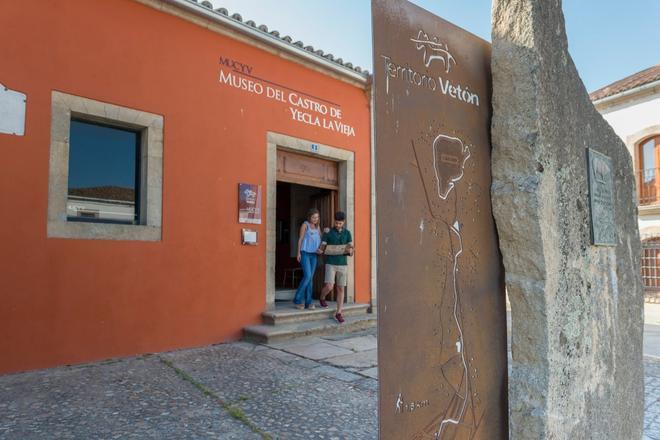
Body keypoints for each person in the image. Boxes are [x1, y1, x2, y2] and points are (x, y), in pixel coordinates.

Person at [318, 211, 353, 323]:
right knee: (329, 286)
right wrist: (320, 250)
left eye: (340, 223)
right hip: (330, 263)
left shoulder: (347, 233)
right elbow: (323, 245)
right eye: (337, 223)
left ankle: (339, 312)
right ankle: (322, 297)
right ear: (334, 221)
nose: (338, 225)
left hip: (343, 264)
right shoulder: (328, 232)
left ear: (344, 222)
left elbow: (351, 247)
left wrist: (352, 251)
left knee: (341, 288)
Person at [293, 208, 322, 310]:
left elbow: (321, 240)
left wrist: (320, 250)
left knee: (310, 279)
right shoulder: (305, 225)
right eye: (314, 217)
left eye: (317, 217)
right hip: (305, 253)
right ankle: (297, 300)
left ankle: (309, 302)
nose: (315, 219)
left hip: (314, 255)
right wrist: (298, 253)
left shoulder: (318, 227)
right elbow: (300, 239)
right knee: (308, 276)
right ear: (309, 217)